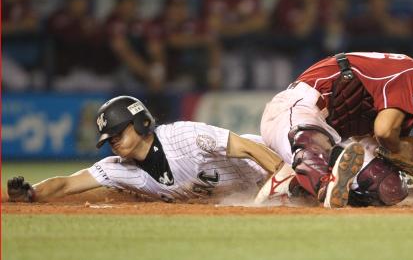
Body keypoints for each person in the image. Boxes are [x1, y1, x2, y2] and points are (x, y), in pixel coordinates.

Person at [259, 45, 413, 208]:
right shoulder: (411, 73)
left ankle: (291, 187)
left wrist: (396, 173)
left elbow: (368, 142)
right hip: (298, 108)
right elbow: (384, 131)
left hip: (330, 133)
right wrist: (399, 147)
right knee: (311, 142)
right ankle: (321, 184)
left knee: (390, 187)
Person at [6, 96, 288, 203]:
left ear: (141, 123)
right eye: (109, 137)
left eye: (118, 132)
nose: (113, 141)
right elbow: (67, 183)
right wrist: (31, 192)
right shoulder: (119, 168)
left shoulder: (184, 135)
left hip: (275, 156)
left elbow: (247, 147)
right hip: (249, 190)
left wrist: (283, 173)